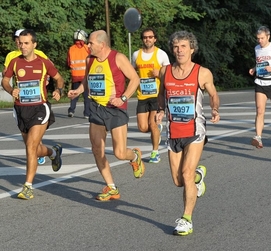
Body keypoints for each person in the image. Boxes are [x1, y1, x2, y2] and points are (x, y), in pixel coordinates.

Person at [67, 30, 145, 201]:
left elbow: (135, 79)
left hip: (115, 109)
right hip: (96, 108)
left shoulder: (118, 58)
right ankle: (111, 187)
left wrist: (123, 97)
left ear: (102, 45)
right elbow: (87, 80)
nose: (88, 45)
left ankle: (135, 156)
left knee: (119, 153)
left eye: (91, 43)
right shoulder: (90, 60)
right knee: (97, 150)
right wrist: (78, 91)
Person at [156, 31, 220, 236]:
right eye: (176, 46)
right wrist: (159, 110)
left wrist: (215, 109)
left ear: (192, 49)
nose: (179, 50)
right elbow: (161, 94)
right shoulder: (165, 71)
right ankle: (198, 176)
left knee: (186, 173)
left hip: (194, 131)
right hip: (173, 131)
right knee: (178, 181)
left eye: (183, 46)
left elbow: (213, 94)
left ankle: (186, 219)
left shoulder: (202, 72)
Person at [1, 29, 64, 199]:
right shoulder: (14, 62)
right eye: (20, 43)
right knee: (34, 150)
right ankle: (53, 153)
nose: (22, 46)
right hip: (21, 109)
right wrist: (10, 89)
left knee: (30, 147)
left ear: (34, 44)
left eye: (26, 43)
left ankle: (27, 187)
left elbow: (59, 78)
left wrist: (58, 90)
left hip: (39, 108)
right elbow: (5, 80)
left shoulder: (44, 63)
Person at [3, 28, 48, 165]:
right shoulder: (11, 56)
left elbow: (49, 69)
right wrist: (11, 90)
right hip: (21, 101)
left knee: (33, 139)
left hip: (37, 101)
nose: (19, 43)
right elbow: (6, 75)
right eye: (17, 40)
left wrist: (48, 81)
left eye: (22, 41)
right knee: (27, 139)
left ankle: (35, 158)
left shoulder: (39, 54)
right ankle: (49, 152)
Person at [131, 27, 170, 163]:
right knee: (143, 127)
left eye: (150, 37)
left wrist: (159, 73)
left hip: (156, 95)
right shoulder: (136, 55)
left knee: (152, 124)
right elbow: (131, 71)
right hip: (142, 95)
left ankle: (155, 153)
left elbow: (168, 75)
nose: (147, 39)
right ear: (142, 39)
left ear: (155, 39)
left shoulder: (161, 55)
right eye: (145, 37)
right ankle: (157, 131)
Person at [67, 29, 91, 118]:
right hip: (85, 76)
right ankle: (87, 113)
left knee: (74, 94)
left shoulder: (71, 49)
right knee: (86, 96)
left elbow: (68, 63)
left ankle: (71, 110)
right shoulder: (87, 48)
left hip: (75, 75)